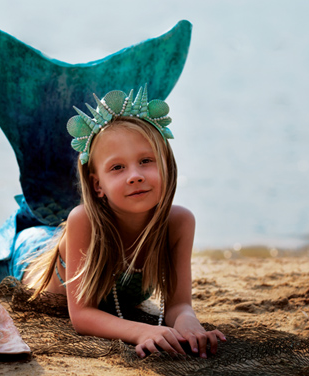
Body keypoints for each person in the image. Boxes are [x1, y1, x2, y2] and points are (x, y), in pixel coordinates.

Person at [21, 86, 227, 358]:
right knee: (22, 244)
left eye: (146, 161)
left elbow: (178, 305)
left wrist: (189, 322)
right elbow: (81, 316)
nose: (135, 175)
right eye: (117, 167)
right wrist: (143, 331)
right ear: (97, 186)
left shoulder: (179, 222)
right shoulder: (84, 220)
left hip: (58, 244)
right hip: (29, 257)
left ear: (166, 164)